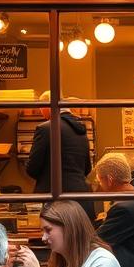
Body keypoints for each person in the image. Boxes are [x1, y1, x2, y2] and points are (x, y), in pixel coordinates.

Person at [25, 91, 94, 220]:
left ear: (46, 105)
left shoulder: (45, 129)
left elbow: (32, 169)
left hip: (54, 201)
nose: (41, 112)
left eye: (40, 108)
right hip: (81, 199)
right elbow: (87, 168)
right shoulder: (81, 130)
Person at [94, 153, 134, 267]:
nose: (100, 186)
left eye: (99, 181)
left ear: (109, 180)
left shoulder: (124, 208)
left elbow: (96, 240)